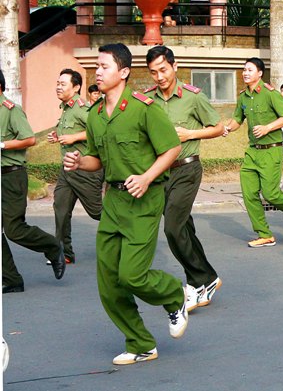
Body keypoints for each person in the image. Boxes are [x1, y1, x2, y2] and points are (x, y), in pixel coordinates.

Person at [61, 44, 187, 365]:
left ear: (124, 72)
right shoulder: (95, 115)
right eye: (97, 67)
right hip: (114, 200)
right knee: (108, 281)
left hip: (144, 199)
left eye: (104, 67)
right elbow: (96, 160)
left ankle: (173, 295)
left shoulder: (144, 108)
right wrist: (79, 162)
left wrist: (146, 177)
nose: (98, 72)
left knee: (131, 275)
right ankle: (141, 343)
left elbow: (171, 148)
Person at [144, 46, 225, 310]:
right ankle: (207, 278)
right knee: (183, 227)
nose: (159, 76)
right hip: (161, 171)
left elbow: (218, 128)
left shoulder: (192, 97)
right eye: (154, 72)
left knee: (172, 228)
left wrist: (190, 134)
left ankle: (199, 280)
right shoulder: (146, 100)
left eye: (163, 69)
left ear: (174, 66)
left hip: (187, 169)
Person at [223, 57, 283, 247]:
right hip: (253, 152)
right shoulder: (242, 96)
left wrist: (267, 128)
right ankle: (265, 234)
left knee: (270, 194)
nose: (245, 73)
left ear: (259, 73)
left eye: (250, 70)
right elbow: (237, 119)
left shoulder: (270, 93)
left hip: (271, 150)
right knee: (249, 193)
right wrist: (227, 128)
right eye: (244, 70)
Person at [2, 70, 66, 294]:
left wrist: (2, 145)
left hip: (11, 176)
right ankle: (11, 279)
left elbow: (29, 138)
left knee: (14, 229)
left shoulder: (10, 110)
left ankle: (52, 246)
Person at [49, 68, 103, 264]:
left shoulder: (82, 108)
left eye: (63, 84)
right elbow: (68, 131)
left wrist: (74, 136)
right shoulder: (65, 108)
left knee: (98, 212)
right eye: (57, 83)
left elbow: (98, 130)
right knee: (61, 210)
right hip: (67, 169)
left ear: (76, 87)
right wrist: (57, 136)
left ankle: (129, 236)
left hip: (85, 170)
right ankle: (63, 253)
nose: (58, 87)